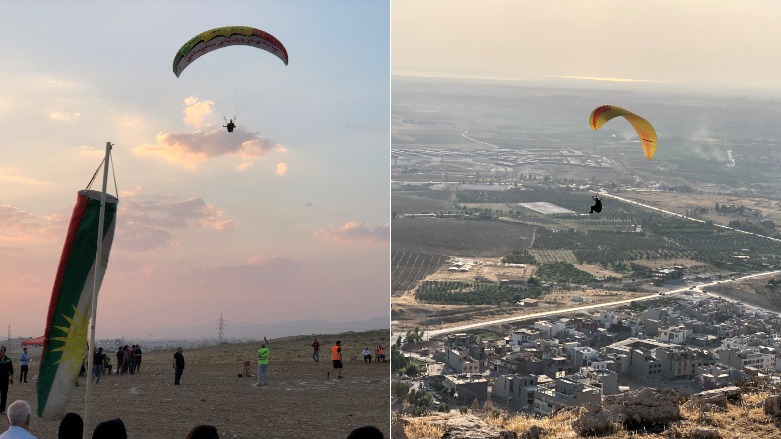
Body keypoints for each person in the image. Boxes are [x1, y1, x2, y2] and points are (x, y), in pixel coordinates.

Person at [0, 347, 13, 413]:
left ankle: (2, 408)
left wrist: (11, 378)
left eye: (1, 351)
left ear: (5, 351)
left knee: (4, 394)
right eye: (0, 351)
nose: (0, 352)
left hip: (5, 381)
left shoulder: (8, 360)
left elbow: (11, 371)